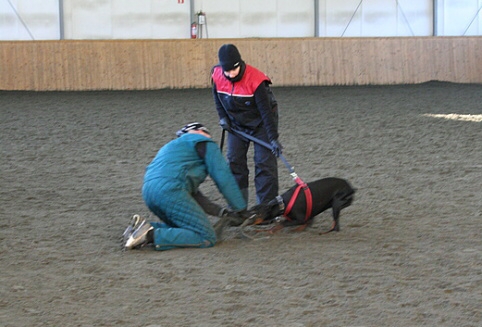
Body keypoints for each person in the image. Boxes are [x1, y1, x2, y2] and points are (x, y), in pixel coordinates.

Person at [123, 122, 248, 251]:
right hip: (171, 191)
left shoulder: (174, 148)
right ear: (201, 131)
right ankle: (150, 235)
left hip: (149, 191)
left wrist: (222, 212)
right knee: (206, 236)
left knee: (184, 228)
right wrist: (240, 208)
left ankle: (141, 228)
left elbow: (194, 195)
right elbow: (223, 177)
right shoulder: (204, 143)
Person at [211, 44, 283, 205]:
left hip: (261, 124)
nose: (230, 75)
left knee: (264, 163)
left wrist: (273, 138)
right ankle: (238, 205)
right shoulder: (217, 74)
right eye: (226, 71)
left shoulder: (256, 80)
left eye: (233, 70)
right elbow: (217, 96)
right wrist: (223, 118)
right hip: (236, 123)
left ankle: (266, 208)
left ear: (240, 63)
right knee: (235, 161)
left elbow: (266, 112)